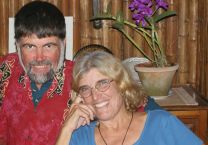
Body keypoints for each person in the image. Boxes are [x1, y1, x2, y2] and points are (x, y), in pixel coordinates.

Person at [55, 51, 204, 145]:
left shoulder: (161, 124)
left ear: (121, 84)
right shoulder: (81, 137)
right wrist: (66, 129)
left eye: (103, 83)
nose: (95, 96)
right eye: (86, 89)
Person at [0, 1, 73, 145]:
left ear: (63, 44)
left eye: (48, 46)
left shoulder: (81, 80)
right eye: (30, 46)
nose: (39, 58)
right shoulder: (5, 70)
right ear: (17, 46)